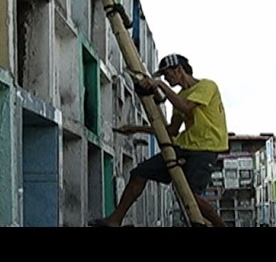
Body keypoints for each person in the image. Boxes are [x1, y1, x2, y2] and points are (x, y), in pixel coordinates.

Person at [89, 53, 229, 227]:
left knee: (190, 196)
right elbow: (172, 130)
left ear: (178, 70)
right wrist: (136, 129)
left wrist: (160, 85)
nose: (166, 78)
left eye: (167, 74)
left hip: (206, 149)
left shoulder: (207, 86)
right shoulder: (181, 95)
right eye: (163, 76)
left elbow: (185, 106)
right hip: (185, 146)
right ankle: (115, 220)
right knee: (139, 173)